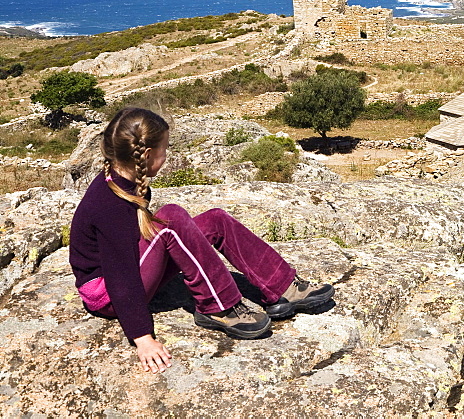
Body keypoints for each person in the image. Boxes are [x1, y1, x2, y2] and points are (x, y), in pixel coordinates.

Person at [69, 107, 334, 374]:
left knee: (215, 220)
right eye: (165, 149)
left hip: (130, 269)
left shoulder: (124, 179)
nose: (166, 155)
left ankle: (283, 286)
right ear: (147, 155)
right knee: (171, 218)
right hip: (108, 295)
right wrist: (142, 338)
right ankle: (217, 307)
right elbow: (121, 277)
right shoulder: (108, 205)